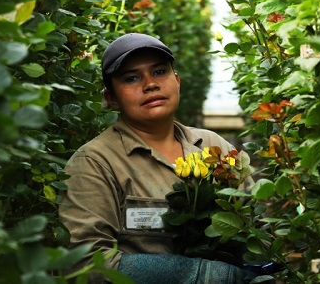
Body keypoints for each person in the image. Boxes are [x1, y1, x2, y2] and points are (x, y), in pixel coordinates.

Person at [59, 33, 260, 284]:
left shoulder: (214, 147)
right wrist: (199, 276)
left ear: (177, 81)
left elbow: (257, 228)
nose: (150, 84)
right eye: (131, 78)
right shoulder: (95, 163)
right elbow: (87, 263)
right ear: (111, 97)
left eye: (159, 72)